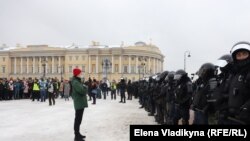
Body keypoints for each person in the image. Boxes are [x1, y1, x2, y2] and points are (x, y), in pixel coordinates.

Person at [71, 68, 88, 141]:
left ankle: (78, 133)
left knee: (79, 119)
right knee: (77, 119)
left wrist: (84, 87)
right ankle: (76, 136)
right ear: (77, 74)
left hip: (80, 102)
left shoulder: (78, 81)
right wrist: (85, 87)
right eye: (80, 73)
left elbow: (82, 89)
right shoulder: (75, 82)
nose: (81, 74)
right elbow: (82, 91)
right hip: (79, 102)